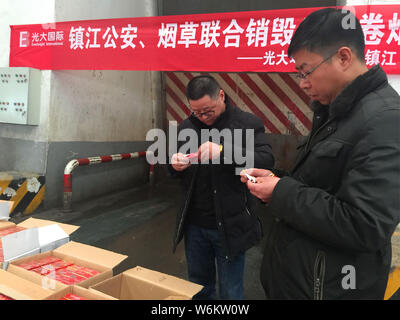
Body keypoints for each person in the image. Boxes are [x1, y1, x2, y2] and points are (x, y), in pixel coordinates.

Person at [240, 8, 400, 299]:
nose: (302, 83)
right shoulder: (336, 112)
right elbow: (320, 185)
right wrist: (278, 179)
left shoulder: (385, 120)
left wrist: (281, 192)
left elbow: (365, 225)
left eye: (306, 71)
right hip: (301, 280)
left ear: (343, 57)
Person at [169, 75, 274, 299]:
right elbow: (174, 169)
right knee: (198, 286)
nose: (203, 117)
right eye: (197, 112)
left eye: (208, 110)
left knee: (230, 289)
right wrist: (174, 164)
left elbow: (266, 159)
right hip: (195, 225)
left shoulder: (247, 123)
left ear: (222, 96)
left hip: (230, 223)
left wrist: (224, 152)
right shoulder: (187, 127)